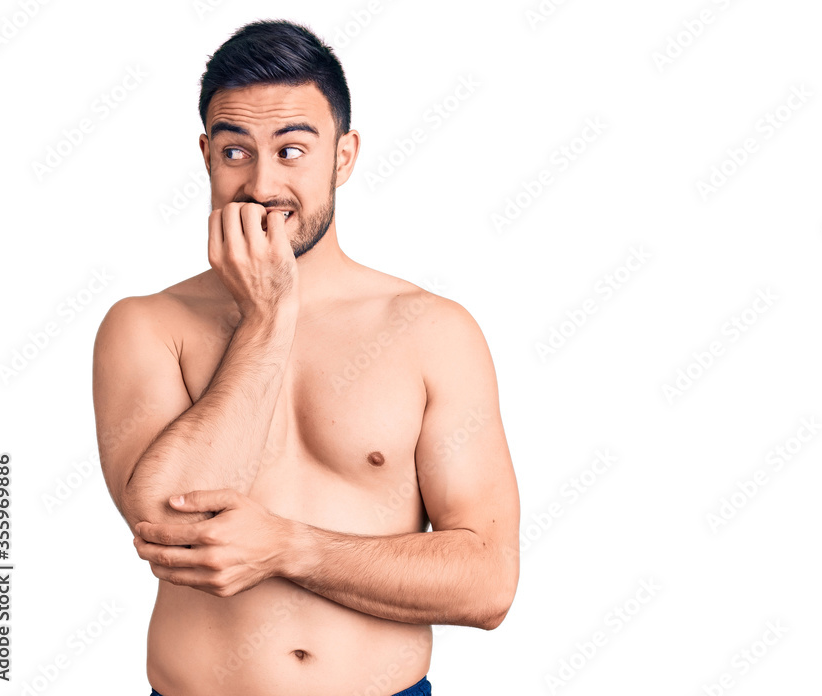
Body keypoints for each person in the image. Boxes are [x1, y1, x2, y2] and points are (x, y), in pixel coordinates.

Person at [91, 19, 520, 696]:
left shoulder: (432, 332)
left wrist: (290, 547)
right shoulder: (146, 327)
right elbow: (172, 531)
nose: (262, 183)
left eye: (292, 150)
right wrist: (266, 319)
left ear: (344, 156)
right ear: (206, 155)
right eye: (236, 151)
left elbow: (487, 582)